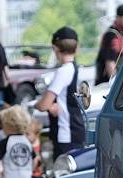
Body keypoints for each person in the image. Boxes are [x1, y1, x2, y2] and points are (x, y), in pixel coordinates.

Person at [36, 27, 86, 159]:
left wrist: (38, 104)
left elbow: (43, 105)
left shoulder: (63, 71)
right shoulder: (76, 68)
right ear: (77, 48)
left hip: (66, 133)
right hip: (76, 129)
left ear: (55, 48)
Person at [95, 4, 123, 85]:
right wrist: (116, 85)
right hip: (107, 85)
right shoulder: (112, 35)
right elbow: (110, 63)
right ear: (118, 18)